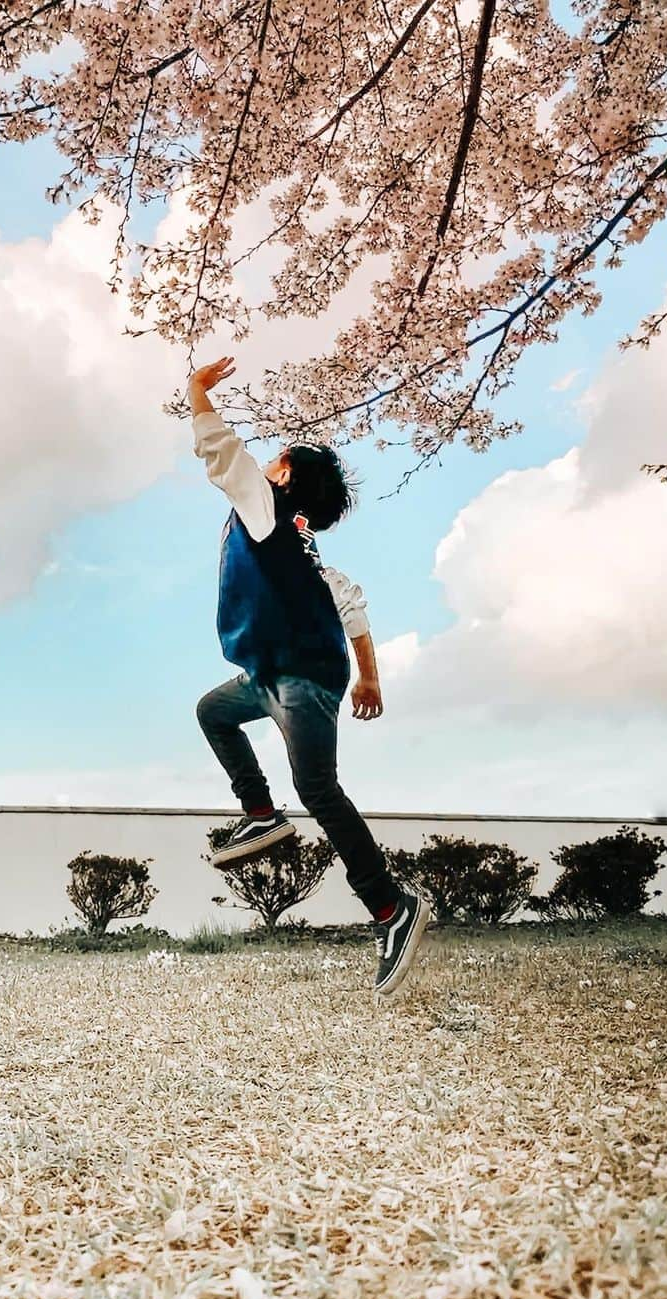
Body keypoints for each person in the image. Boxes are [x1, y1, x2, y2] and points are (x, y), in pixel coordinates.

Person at [189, 356, 430, 996]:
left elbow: (223, 456)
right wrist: (366, 677)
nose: (262, 466)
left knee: (318, 788)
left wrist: (197, 394)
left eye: (273, 461)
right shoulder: (303, 547)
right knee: (213, 711)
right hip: (275, 673)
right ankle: (262, 812)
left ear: (285, 474)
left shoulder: (266, 506)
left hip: (298, 674)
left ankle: (389, 906)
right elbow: (348, 600)